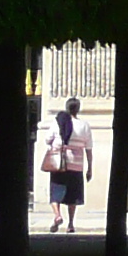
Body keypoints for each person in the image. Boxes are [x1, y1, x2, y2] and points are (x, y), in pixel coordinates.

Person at [41, 96, 92, 234]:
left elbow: (47, 139)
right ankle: (70, 223)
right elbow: (88, 148)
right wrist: (89, 168)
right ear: (78, 109)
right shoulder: (84, 126)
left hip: (60, 163)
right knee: (73, 196)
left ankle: (57, 215)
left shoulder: (58, 122)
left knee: (55, 191)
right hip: (77, 165)